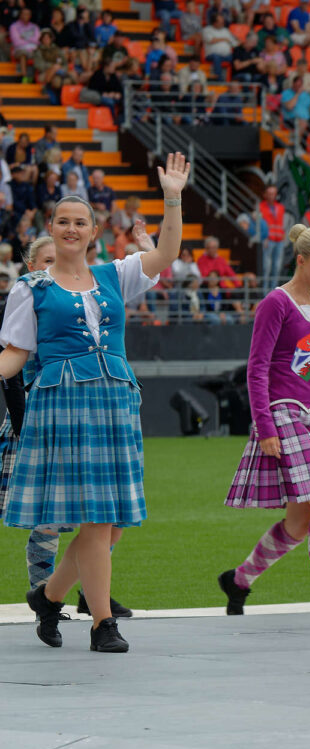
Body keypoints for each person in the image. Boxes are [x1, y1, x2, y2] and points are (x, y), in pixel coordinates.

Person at [0, 153, 191, 653]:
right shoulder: (31, 288)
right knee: (98, 517)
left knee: (103, 519)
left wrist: (172, 196)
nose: (70, 228)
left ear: (93, 230)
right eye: (62, 221)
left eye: (79, 222)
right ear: (52, 228)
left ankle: (47, 597)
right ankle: (102, 622)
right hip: (62, 404)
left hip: (114, 401)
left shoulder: (113, 274)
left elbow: (167, 251)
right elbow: (15, 356)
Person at [219, 223, 310, 615]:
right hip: (283, 412)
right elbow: (256, 367)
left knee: (300, 520)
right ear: (301, 261)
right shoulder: (276, 302)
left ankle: (239, 580)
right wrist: (264, 426)